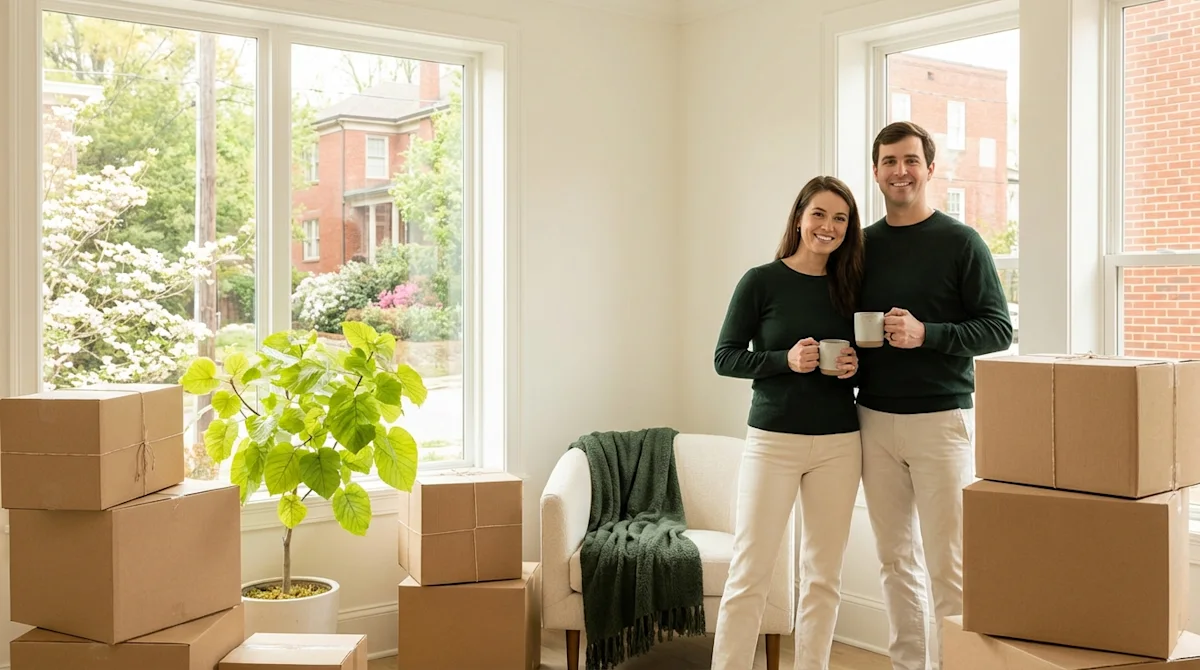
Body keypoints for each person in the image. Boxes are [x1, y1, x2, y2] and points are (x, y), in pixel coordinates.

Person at [855, 121, 1013, 670]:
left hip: (941, 423)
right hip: (872, 420)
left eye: (911, 160)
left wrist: (930, 334)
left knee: (949, 566)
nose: (901, 171)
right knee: (895, 561)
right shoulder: (862, 246)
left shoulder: (960, 242)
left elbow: (998, 329)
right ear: (875, 171)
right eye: (889, 161)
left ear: (929, 167)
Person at [710, 175, 865, 670]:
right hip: (772, 442)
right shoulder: (761, 281)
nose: (828, 226)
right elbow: (725, 357)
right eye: (819, 214)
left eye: (840, 218)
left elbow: (870, 357)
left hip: (840, 443)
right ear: (799, 217)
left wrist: (855, 367)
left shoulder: (853, 287)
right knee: (750, 571)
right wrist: (783, 360)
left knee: (823, 576)